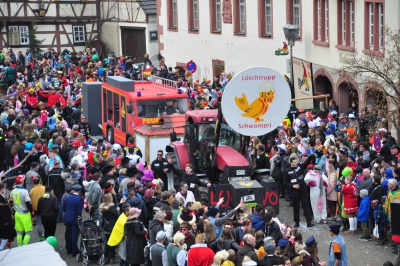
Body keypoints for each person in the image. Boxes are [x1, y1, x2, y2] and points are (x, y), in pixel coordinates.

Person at [283, 154, 314, 228]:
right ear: (291, 162)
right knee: (296, 207)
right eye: (294, 162)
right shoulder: (287, 171)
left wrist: (310, 156)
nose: (296, 163)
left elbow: (306, 162)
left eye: (296, 162)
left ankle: (309, 222)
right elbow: (285, 182)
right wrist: (292, 185)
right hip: (294, 192)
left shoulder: (300, 167)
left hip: (303, 190)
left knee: (306, 206)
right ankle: (296, 222)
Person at [10, 175, 33, 246]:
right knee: (28, 231)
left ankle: (19, 245)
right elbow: (28, 203)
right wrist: (32, 212)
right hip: (25, 214)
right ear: (22, 181)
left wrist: (12, 212)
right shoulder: (24, 191)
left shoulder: (12, 191)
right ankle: (25, 245)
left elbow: (10, 203)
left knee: (19, 231)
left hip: (17, 213)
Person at [100, 193, 120, 264]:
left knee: (107, 241)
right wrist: (118, 210)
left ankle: (106, 256)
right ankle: (112, 258)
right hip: (112, 227)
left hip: (106, 226)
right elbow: (118, 216)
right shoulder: (112, 208)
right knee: (112, 242)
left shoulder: (103, 207)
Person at [63, 184, 83, 257]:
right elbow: (79, 212)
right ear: (80, 191)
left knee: (68, 234)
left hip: (67, 218)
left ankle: (69, 249)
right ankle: (74, 251)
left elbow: (64, 208)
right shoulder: (79, 199)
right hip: (74, 219)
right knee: (74, 235)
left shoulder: (67, 198)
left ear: (73, 190)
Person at [29, 175, 46, 241]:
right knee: (45, 222)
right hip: (44, 207)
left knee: (39, 223)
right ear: (39, 180)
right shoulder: (44, 188)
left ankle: (40, 237)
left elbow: (30, 199)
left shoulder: (32, 190)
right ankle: (45, 234)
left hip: (36, 209)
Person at [0, 183, 16, 250]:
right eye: (4, 188)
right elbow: (1, 210)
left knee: (3, 234)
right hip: (4, 219)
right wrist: (5, 220)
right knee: (6, 234)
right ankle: (1, 247)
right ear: (1, 189)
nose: (5, 190)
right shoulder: (0, 197)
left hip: (5, 218)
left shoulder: (1, 196)